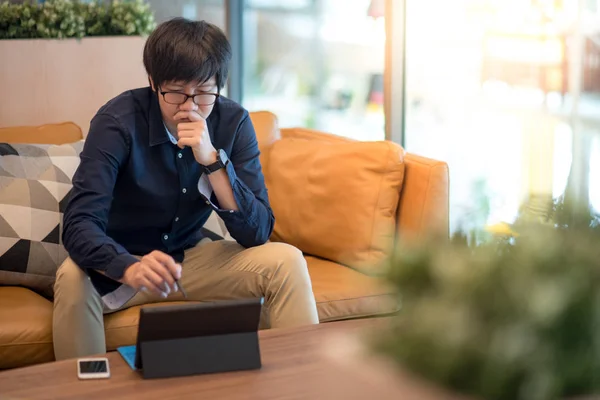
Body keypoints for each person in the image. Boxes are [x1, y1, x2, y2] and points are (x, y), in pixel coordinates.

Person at [53, 17, 319, 360]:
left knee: (286, 260)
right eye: (176, 91)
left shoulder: (234, 122)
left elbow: (258, 233)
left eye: (204, 92)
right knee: (72, 278)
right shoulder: (117, 121)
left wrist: (211, 159)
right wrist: (128, 266)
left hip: (188, 259)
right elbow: (79, 224)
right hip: (121, 264)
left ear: (219, 85)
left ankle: (305, 384)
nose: (190, 105)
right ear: (153, 82)